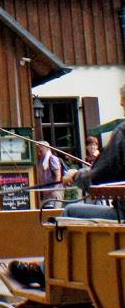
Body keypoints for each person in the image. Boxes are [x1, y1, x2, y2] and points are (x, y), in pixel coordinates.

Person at [63, 83, 125, 220]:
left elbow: (99, 177)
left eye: (123, 106)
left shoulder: (123, 132)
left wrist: (75, 176)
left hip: (123, 216)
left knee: (70, 211)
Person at [34, 139, 64, 205]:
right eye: (38, 151)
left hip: (53, 192)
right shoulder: (41, 161)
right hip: (46, 192)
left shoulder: (52, 159)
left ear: (47, 149)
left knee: (54, 209)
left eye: (41, 151)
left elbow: (58, 176)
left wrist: (54, 190)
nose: (39, 153)